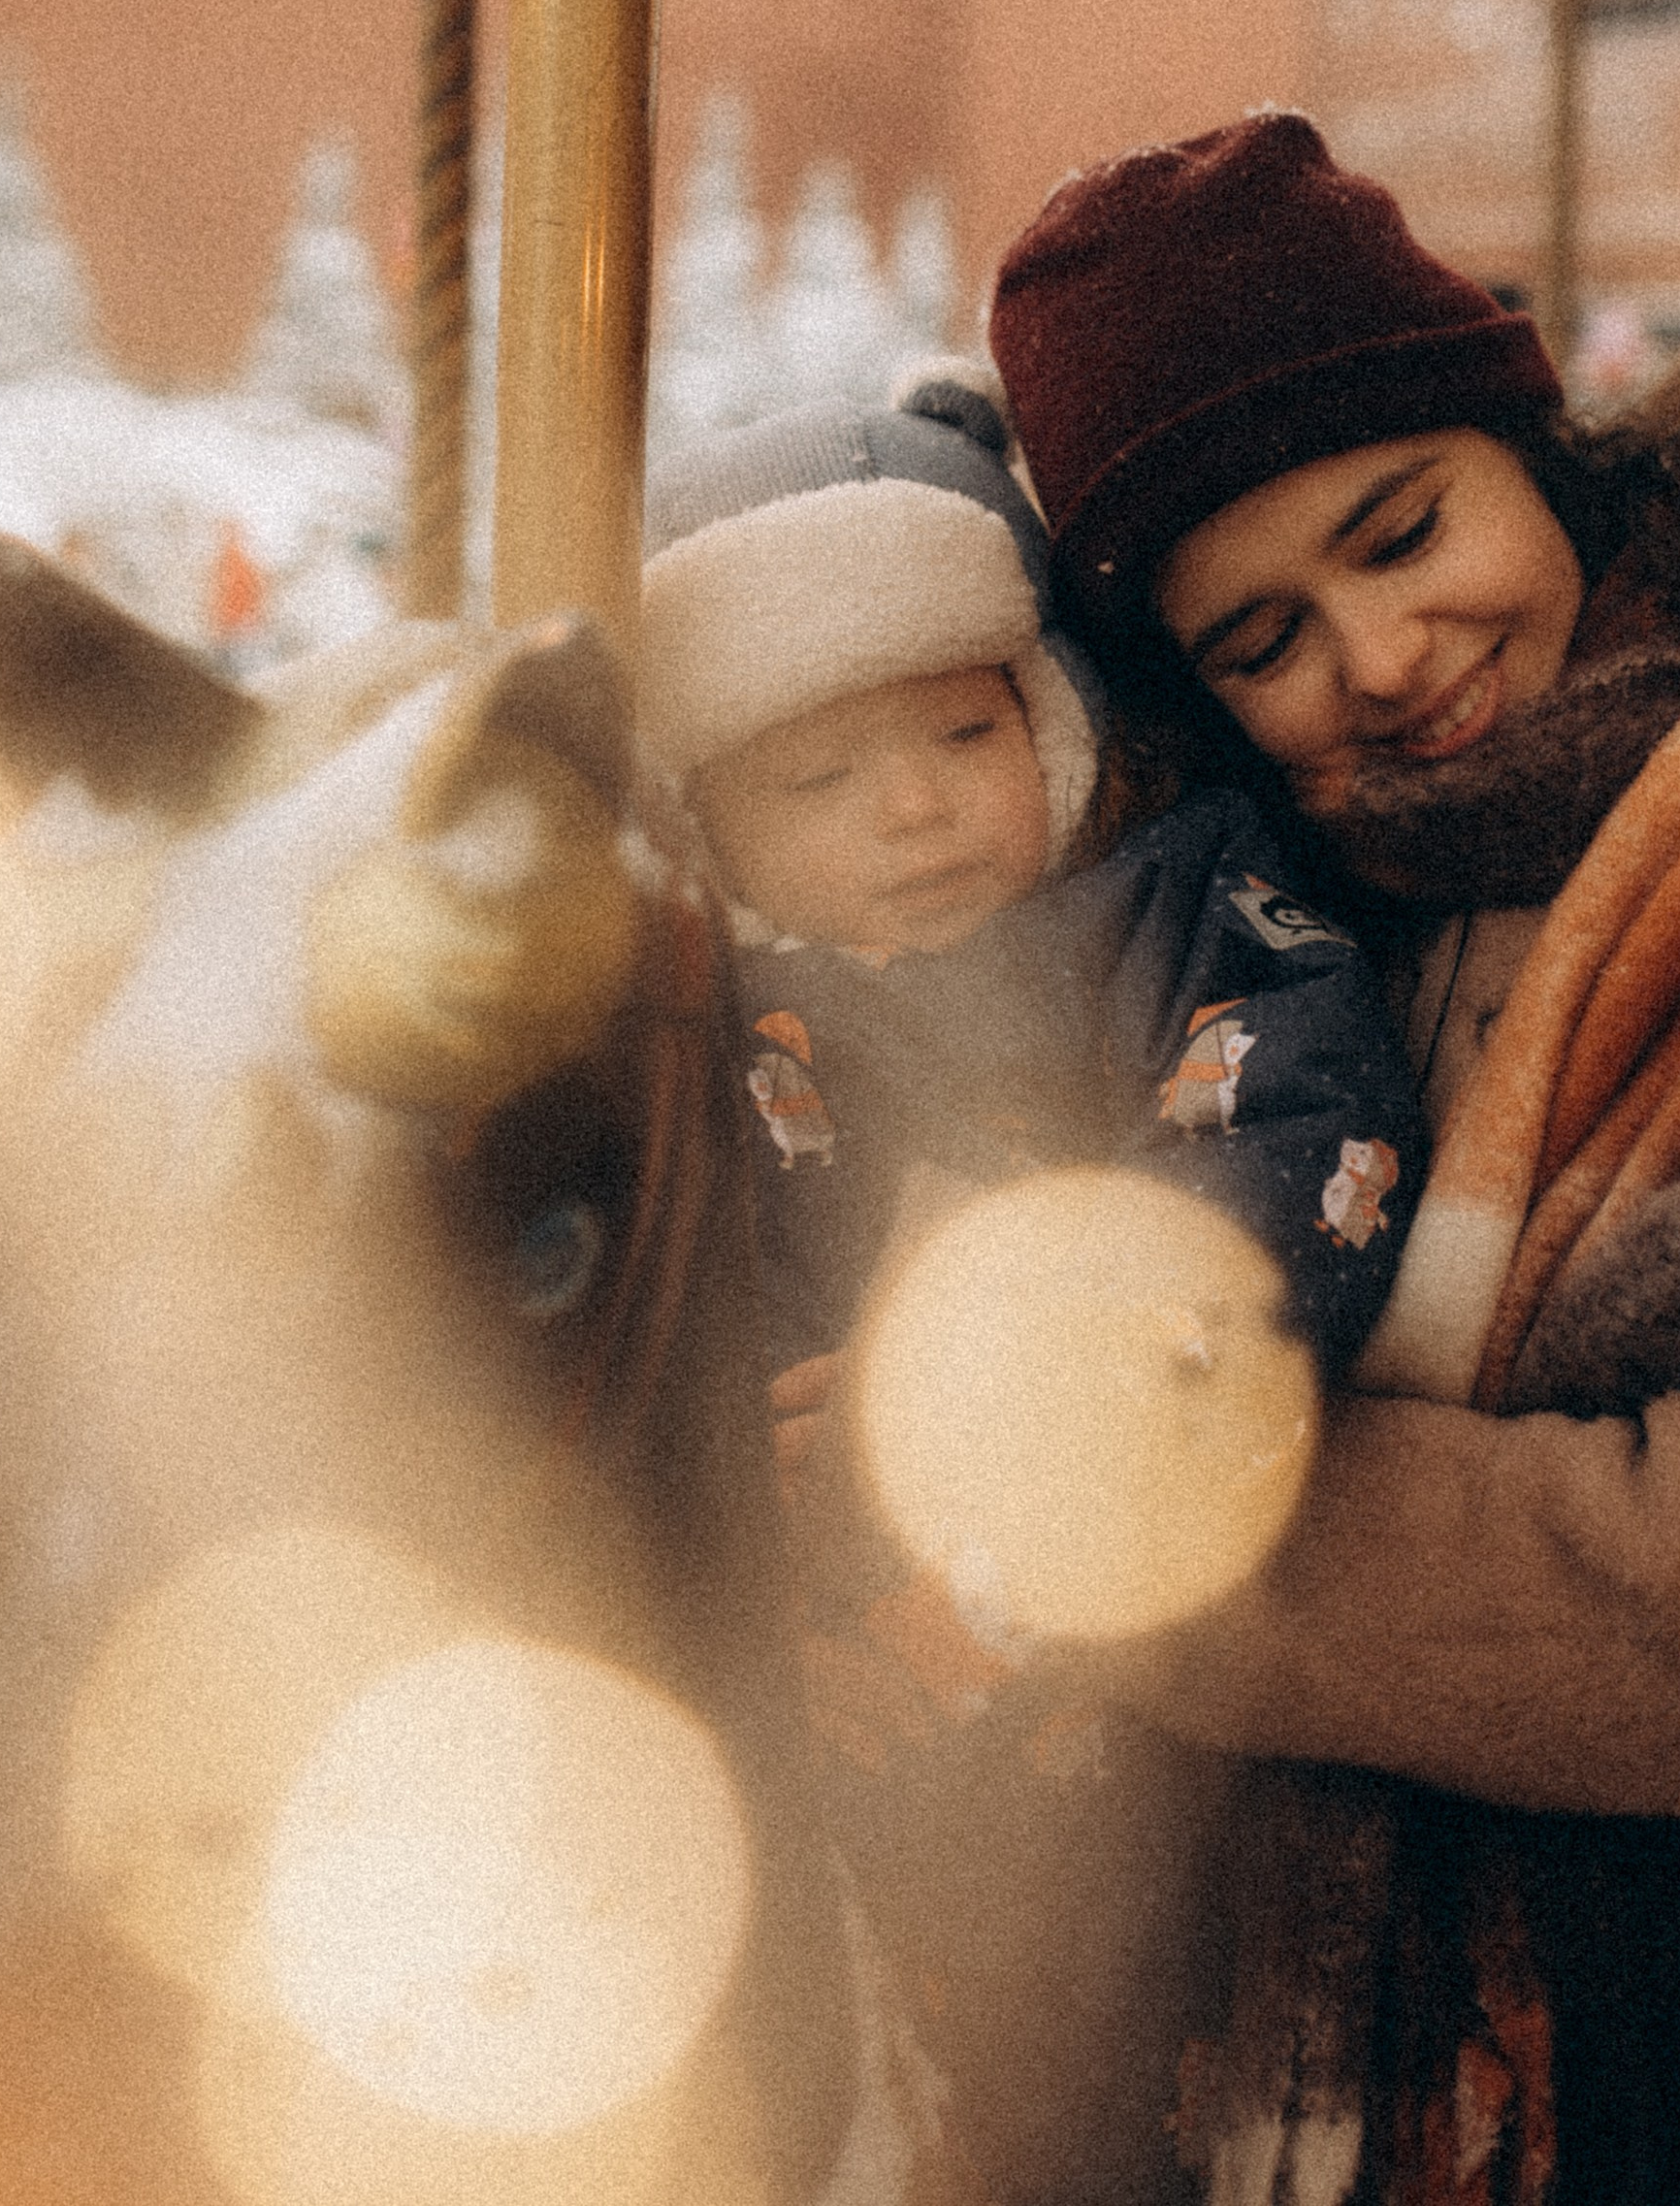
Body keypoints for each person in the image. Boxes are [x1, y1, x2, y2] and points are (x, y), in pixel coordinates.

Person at [987, 110, 1680, 2206]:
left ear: (1526, 440)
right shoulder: (1262, 937)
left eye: (1404, 529)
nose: (1384, 658)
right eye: (1266, 641)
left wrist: (1137, 1529)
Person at [632, 365, 1424, 2206]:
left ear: (1051, 721)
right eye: (819, 774)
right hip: (801, 1653)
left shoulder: (1167, 911)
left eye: (963, 737)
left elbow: (1302, 1130)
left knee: (1096, 2072)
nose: (911, 810)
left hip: (1118, 1650)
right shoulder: (693, 1022)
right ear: (713, 814)